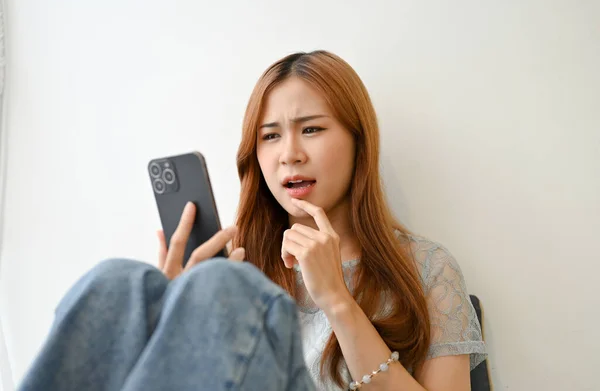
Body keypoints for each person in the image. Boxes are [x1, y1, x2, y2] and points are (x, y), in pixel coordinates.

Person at [17, 50, 486, 391]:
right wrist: (176, 316)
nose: (290, 154)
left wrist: (338, 302)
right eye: (270, 136)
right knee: (122, 282)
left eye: (312, 129)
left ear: (359, 143)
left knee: (225, 287)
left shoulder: (426, 268)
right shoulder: (242, 262)